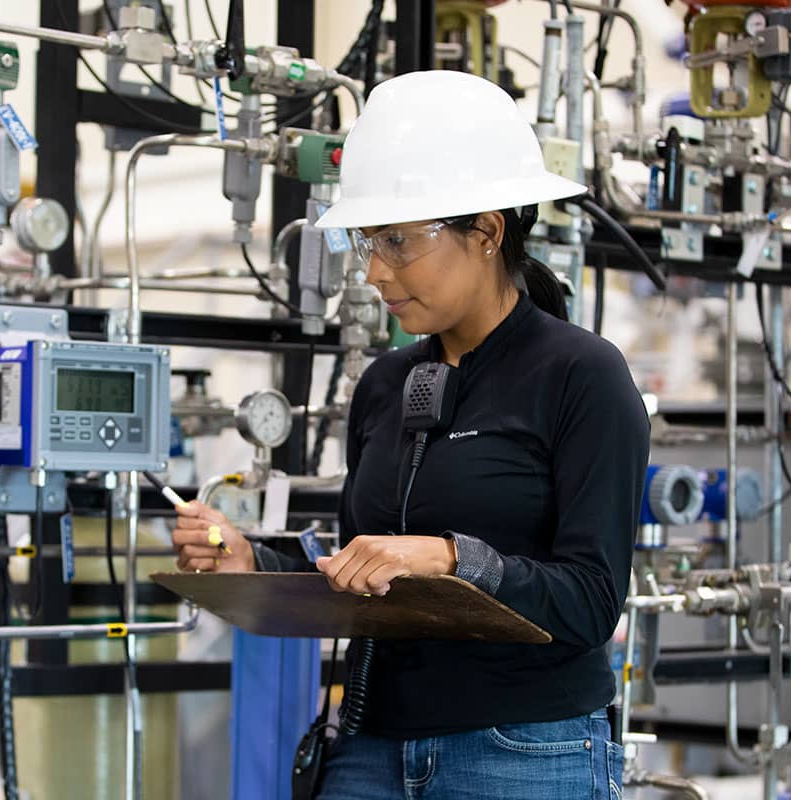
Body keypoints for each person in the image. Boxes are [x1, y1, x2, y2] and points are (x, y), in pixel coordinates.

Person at [171, 70, 650, 800]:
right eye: (368, 244)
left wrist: (457, 559)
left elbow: (590, 600)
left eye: (397, 243)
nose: (374, 272)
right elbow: (359, 572)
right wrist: (253, 563)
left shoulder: (582, 376)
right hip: (373, 746)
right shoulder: (386, 386)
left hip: (521, 752)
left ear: (487, 231)